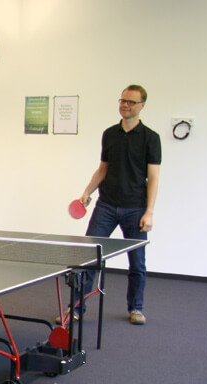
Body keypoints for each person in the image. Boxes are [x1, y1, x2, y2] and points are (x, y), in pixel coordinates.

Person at [72, 84, 161, 325]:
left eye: (131, 102)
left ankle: (136, 308)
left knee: (137, 262)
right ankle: (77, 307)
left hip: (136, 209)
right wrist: (87, 191)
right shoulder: (109, 134)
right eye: (122, 100)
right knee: (91, 257)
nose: (125, 105)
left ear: (142, 105)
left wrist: (149, 212)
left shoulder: (151, 138)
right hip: (106, 206)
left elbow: (153, 177)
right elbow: (103, 169)